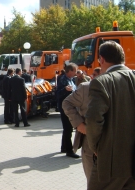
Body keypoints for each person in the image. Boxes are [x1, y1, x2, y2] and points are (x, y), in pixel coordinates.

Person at [85, 41, 135, 189]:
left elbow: (93, 119)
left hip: (111, 161)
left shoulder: (101, 82)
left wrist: (95, 146)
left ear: (102, 59)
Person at [62, 67, 101, 183]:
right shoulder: (85, 87)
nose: (92, 76)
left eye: (95, 74)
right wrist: (79, 123)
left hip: (114, 143)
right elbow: (66, 102)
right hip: (89, 140)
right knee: (92, 179)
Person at [56, 63, 79, 158]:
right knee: (68, 128)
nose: (76, 73)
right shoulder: (63, 80)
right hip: (65, 107)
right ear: (70, 71)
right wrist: (65, 89)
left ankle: (64, 147)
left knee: (67, 128)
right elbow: (57, 94)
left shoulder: (71, 79)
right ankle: (69, 150)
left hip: (71, 106)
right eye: (75, 71)